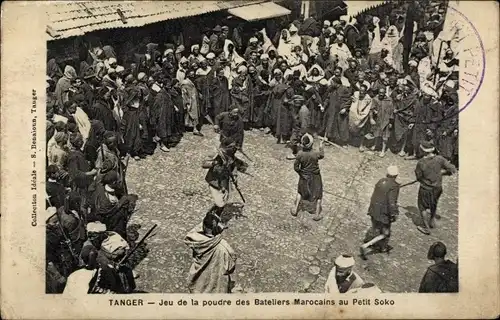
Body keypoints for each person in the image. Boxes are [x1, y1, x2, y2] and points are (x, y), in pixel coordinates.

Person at [184, 212, 237, 293]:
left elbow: (195, 230)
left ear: (203, 226)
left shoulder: (196, 239)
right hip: (216, 285)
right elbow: (230, 266)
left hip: (199, 282)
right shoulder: (224, 247)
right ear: (215, 228)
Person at [415, 141, 457, 235]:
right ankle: (432, 221)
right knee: (434, 204)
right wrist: (443, 173)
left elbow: (418, 177)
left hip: (426, 188)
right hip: (438, 188)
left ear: (423, 151)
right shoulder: (440, 159)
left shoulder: (421, 163)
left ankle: (426, 228)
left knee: (422, 207)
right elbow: (452, 169)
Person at [360, 165, 400, 260]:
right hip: (383, 213)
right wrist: (395, 213)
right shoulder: (394, 186)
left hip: (374, 209)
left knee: (375, 227)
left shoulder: (381, 181)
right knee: (386, 233)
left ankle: (378, 245)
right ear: (396, 175)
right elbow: (391, 202)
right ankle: (368, 245)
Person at [203, 136, 248, 215]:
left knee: (224, 200)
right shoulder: (217, 155)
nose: (234, 149)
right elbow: (204, 164)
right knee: (220, 202)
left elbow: (234, 166)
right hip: (215, 181)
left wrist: (235, 176)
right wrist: (213, 163)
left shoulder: (231, 156)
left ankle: (217, 216)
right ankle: (213, 216)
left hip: (225, 181)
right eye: (231, 147)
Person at [290, 133, 324, 221]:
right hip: (315, 176)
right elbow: (322, 155)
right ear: (311, 144)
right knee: (318, 195)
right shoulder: (315, 154)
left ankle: (295, 209)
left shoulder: (300, 154)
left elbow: (296, 167)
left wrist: (301, 174)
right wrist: (321, 146)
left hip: (304, 176)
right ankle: (316, 214)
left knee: (300, 192)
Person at [323, 77, 351, 148]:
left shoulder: (344, 89)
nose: (331, 84)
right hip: (332, 110)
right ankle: (330, 139)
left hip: (341, 110)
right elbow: (328, 98)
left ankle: (344, 142)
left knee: (342, 126)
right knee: (331, 124)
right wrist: (324, 106)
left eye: (332, 83)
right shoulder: (331, 89)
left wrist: (345, 108)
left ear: (336, 83)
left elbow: (349, 99)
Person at [370, 87, 394, 157]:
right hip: (378, 119)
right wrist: (373, 114)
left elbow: (392, 111)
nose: (381, 94)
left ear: (384, 93)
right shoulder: (375, 99)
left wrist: (391, 122)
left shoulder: (389, 100)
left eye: (382, 93)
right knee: (376, 133)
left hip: (386, 120)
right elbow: (372, 109)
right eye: (379, 92)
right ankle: (375, 145)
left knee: (385, 136)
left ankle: (383, 150)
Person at [181, 70, 203, 136]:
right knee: (192, 114)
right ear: (187, 74)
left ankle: (194, 127)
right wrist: (187, 102)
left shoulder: (192, 81)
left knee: (194, 114)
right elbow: (184, 93)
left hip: (194, 99)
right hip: (190, 100)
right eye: (191, 74)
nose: (193, 75)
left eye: (193, 74)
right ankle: (194, 129)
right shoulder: (185, 82)